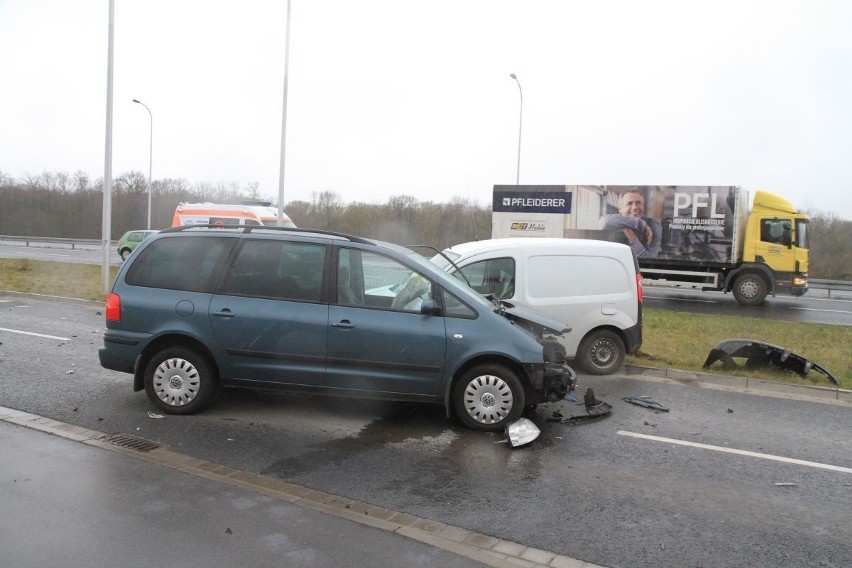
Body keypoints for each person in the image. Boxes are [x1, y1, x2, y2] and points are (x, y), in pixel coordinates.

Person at [603, 189, 662, 258]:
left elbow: (650, 259)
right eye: (629, 203)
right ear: (620, 209)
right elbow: (602, 221)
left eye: (638, 203)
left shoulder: (654, 226)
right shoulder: (615, 220)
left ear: (643, 207)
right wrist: (640, 224)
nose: (634, 207)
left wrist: (631, 236)